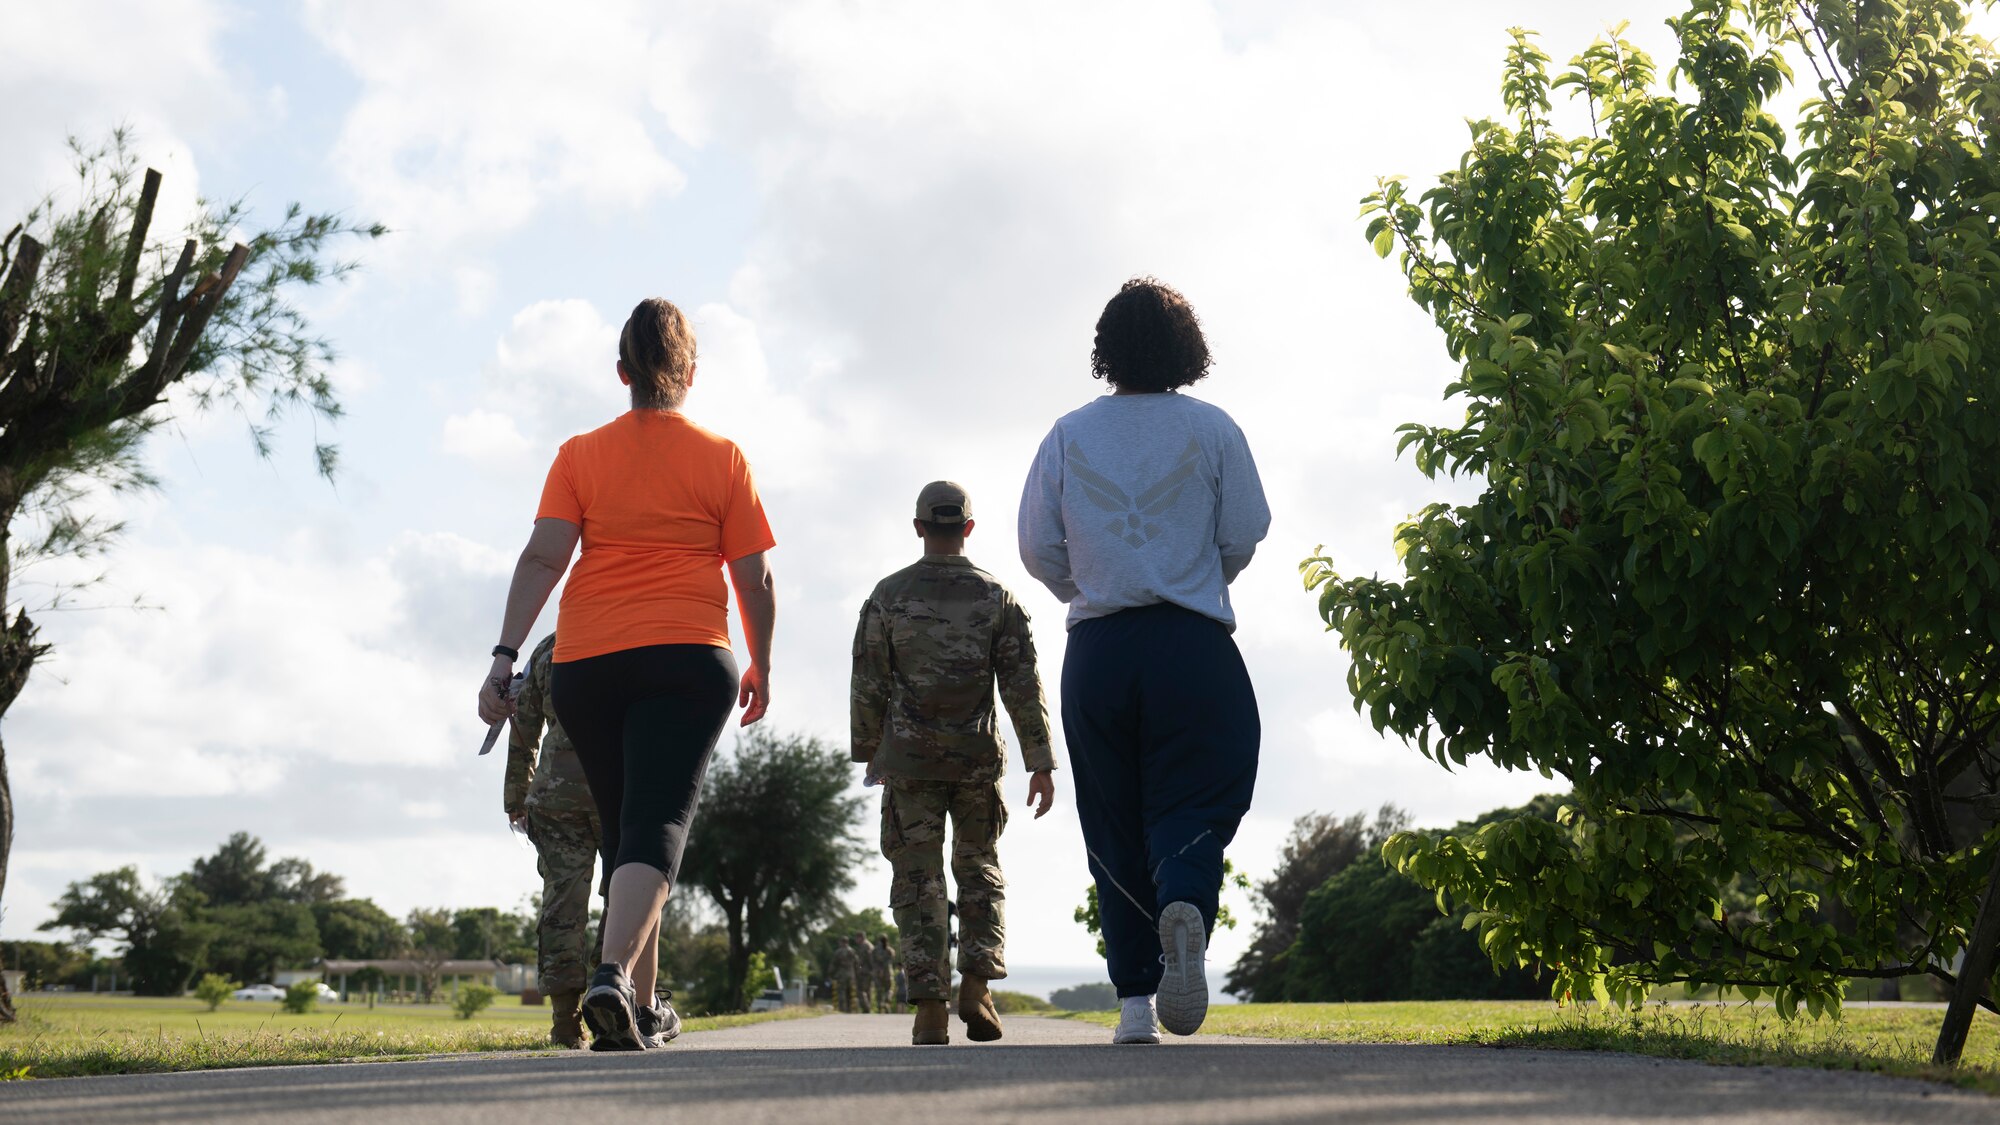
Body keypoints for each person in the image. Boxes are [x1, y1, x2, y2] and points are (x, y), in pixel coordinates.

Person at [478, 297, 777, 1052]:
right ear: (691, 373)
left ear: (621, 373)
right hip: (687, 656)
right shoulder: (723, 456)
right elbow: (756, 580)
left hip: (588, 662)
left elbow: (544, 556)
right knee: (659, 827)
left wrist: (505, 656)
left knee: (625, 834)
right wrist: (763, 664)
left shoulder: (580, 454)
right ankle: (612, 974)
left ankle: (640, 1009)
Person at [1017, 278, 1270, 1045]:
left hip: (1098, 647)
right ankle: (1184, 896)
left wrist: (1093, 583)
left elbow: (1037, 547)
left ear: (1107, 349)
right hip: (1190, 643)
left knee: (1112, 817)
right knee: (1201, 789)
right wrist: (1190, 574)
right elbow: (1244, 532)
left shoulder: (1067, 433)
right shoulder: (1214, 428)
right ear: (1188, 347)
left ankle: (1133, 1005)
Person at [852, 481, 1057, 1046]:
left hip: (909, 763)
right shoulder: (998, 597)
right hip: (976, 763)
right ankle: (977, 988)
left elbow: (868, 680)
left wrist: (870, 751)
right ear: (968, 528)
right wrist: (1039, 761)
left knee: (917, 882)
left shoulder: (888, 596)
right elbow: (1022, 684)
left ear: (919, 526)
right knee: (978, 872)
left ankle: (930, 1012)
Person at [505, 632, 601, 1048]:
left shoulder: (548, 648)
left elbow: (523, 730)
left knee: (562, 906)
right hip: (620, 788)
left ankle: (566, 1022)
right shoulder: (637, 629)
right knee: (631, 896)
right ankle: (614, 996)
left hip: (555, 794)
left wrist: (515, 798)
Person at [831, 935, 860, 1013]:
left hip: (841, 975)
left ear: (842, 942)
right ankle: (850, 1009)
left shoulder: (838, 952)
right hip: (851, 974)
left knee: (841, 991)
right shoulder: (852, 951)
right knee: (850, 992)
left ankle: (842, 1009)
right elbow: (857, 963)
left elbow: (834, 964)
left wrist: (831, 974)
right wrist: (857, 974)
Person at [870, 933, 896, 1013]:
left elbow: (872, 961)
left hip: (878, 972)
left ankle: (879, 1006)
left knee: (879, 990)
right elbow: (891, 960)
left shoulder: (875, 950)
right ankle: (886, 1001)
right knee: (888, 989)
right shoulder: (890, 950)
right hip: (888, 972)